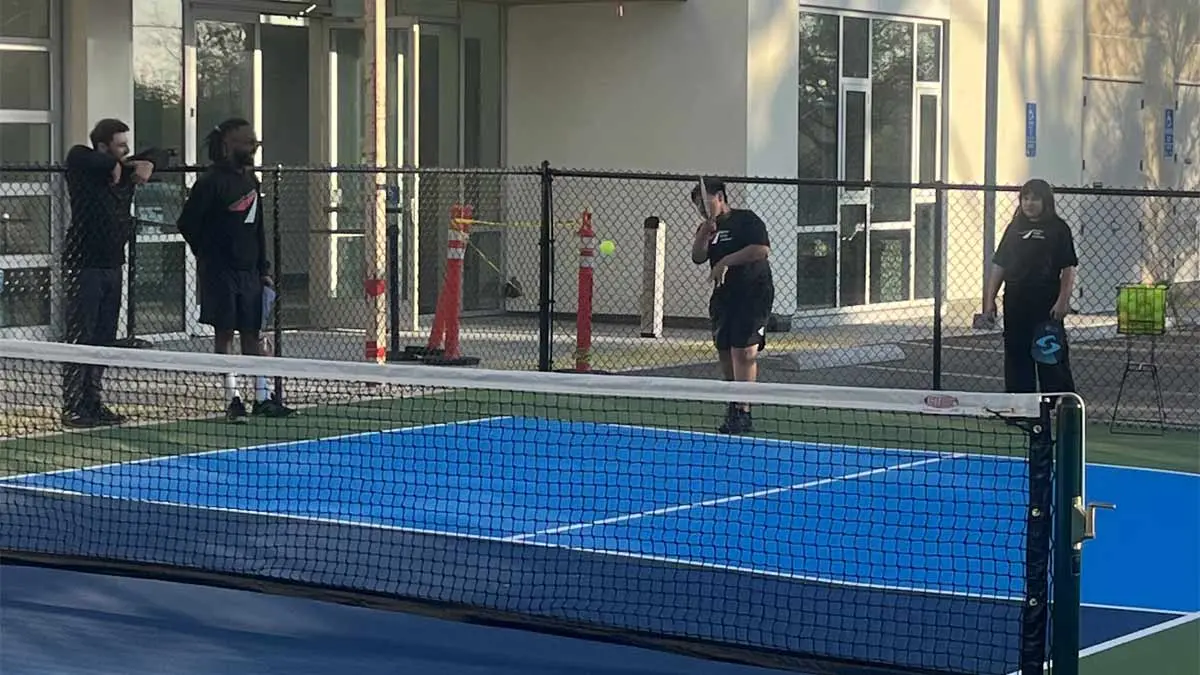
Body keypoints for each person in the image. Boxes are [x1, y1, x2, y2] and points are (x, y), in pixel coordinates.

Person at [177, 117, 293, 421]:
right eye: (247, 141)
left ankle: (262, 397)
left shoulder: (251, 181)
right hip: (220, 274)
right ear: (229, 144)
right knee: (225, 333)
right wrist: (208, 254)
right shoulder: (210, 183)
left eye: (255, 142)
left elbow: (258, 229)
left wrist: (263, 269)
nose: (253, 147)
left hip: (250, 274)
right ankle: (233, 400)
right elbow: (187, 224)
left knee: (253, 334)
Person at [61, 119, 155, 428]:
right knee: (80, 336)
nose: (126, 150)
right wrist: (111, 165)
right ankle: (73, 406)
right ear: (102, 147)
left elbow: (162, 154)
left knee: (102, 338)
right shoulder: (82, 165)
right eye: (120, 145)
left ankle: (94, 402)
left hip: (113, 265)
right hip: (83, 264)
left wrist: (147, 163)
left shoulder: (125, 170)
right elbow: (77, 155)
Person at [690, 177, 774, 434]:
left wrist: (726, 260)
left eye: (706, 204)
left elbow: (761, 250)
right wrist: (703, 236)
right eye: (698, 207)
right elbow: (698, 257)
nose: (703, 210)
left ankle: (743, 411)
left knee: (744, 352)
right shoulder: (707, 228)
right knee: (725, 351)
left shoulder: (746, 220)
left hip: (753, 294)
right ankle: (734, 402)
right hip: (724, 297)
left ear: (720, 198)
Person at [982, 178, 1078, 394]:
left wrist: (1063, 301)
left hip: (1046, 304)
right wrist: (990, 301)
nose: (1029, 203)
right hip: (1016, 303)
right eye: (1025, 198)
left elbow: (1068, 268)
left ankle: (1057, 405)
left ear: (1046, 201)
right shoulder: (1014, 228)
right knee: (1017, 356)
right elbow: (1000, 265)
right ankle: (1019, 406)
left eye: (1035, 198)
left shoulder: (1058, 229)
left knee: (1050, 357)